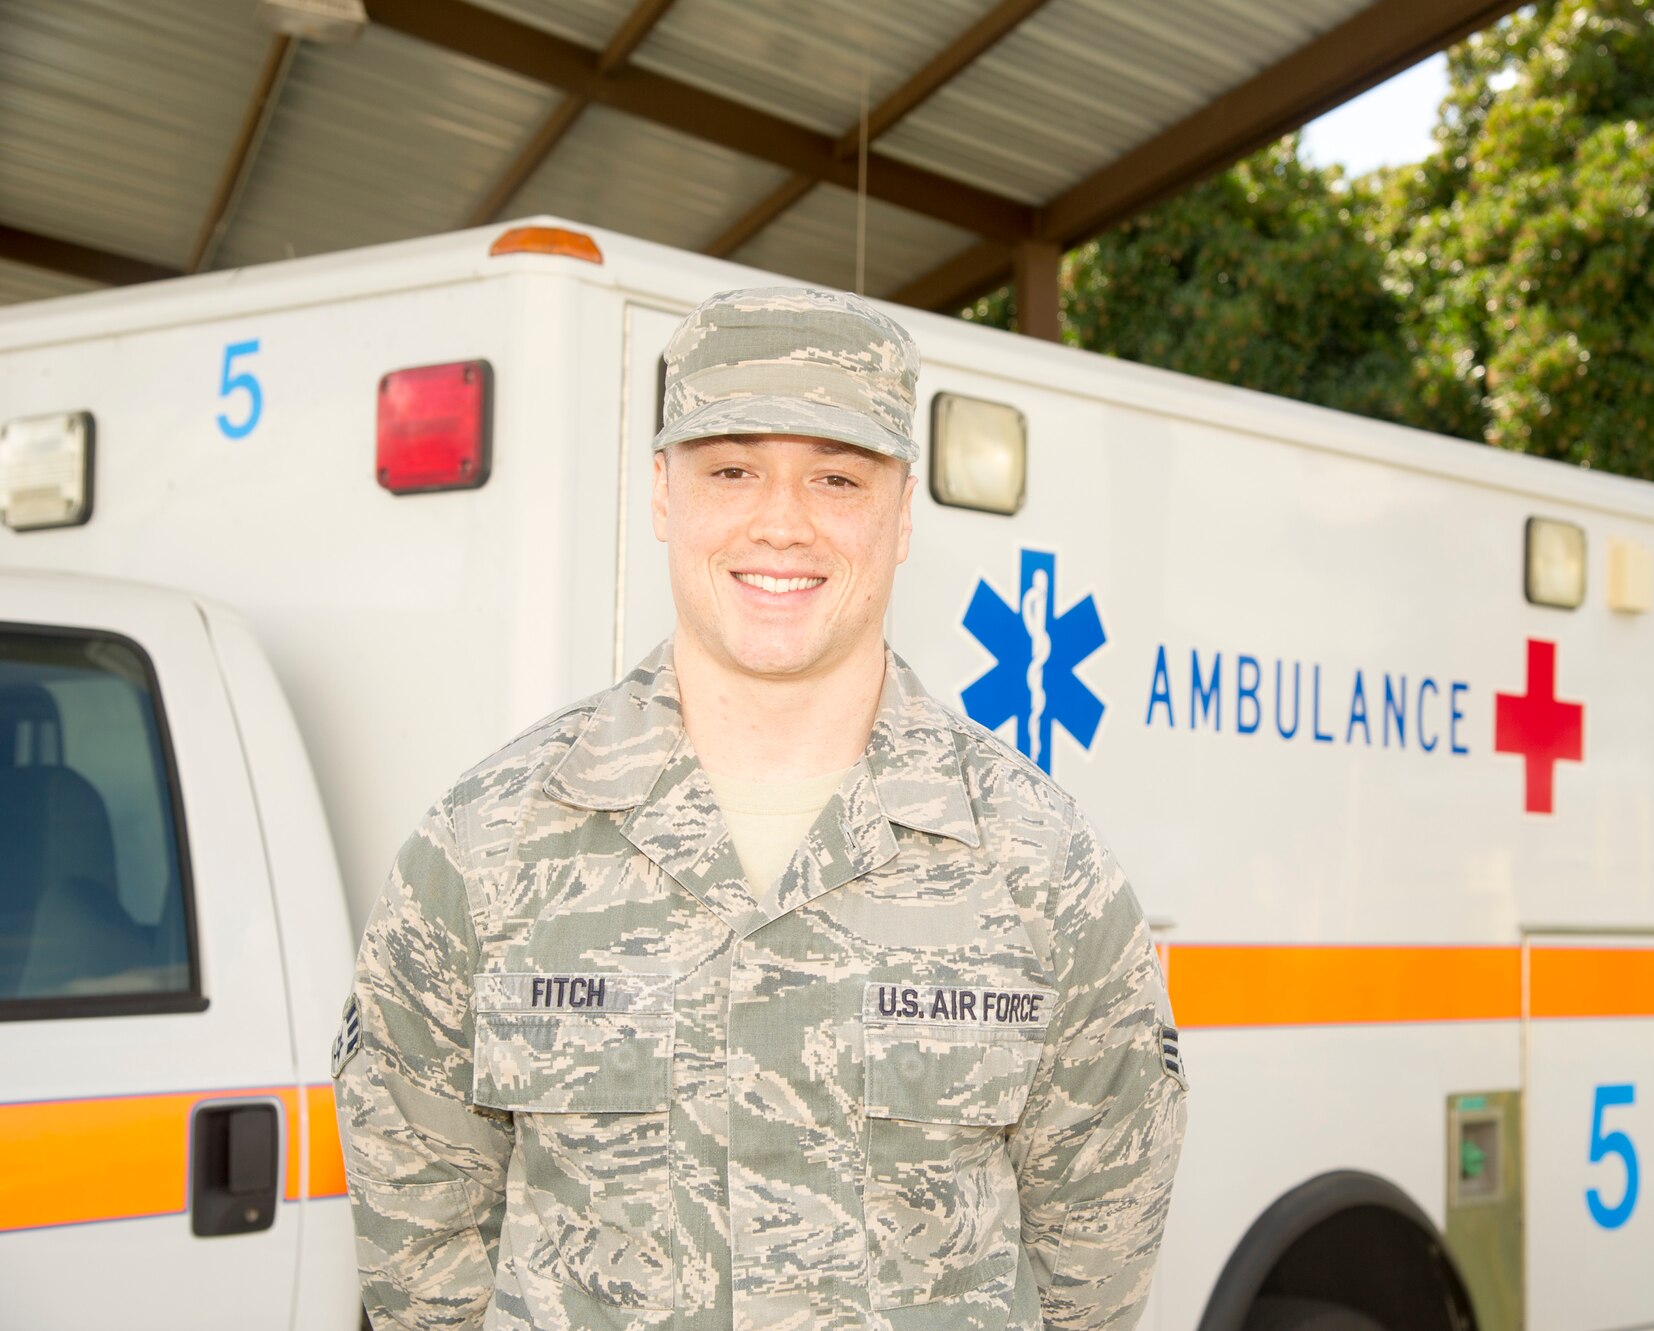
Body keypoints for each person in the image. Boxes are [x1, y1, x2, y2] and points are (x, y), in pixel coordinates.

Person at [333, 286, 1187, 1331]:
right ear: (661, 493)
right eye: (731, 469)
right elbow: (420, 1251)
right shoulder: (486, 846)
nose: (780, 521)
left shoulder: (1041, 867)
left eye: (836, 477)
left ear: (903, 512)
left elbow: (1091, 1269)